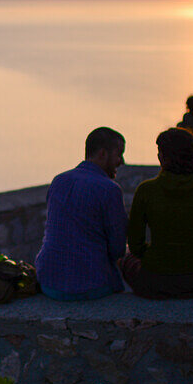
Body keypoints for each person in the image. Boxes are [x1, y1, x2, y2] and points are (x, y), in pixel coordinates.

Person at [122, 127, 193, 299]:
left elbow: (134, 245)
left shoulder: (146, 190)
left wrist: (154, 258)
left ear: (163, 157)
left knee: (124, 253)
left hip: (151, 282)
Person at [34, 127, 128, 301]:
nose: (121, 161)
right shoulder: (110, 190)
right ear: (102, 153)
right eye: (119, 154)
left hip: (49, 282)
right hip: (89, 286)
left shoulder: (59, 181)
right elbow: (117, 249)